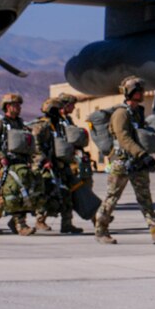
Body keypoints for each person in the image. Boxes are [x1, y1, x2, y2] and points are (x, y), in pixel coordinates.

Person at [92, 76, 155, 244]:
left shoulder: (138, 112)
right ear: (129, 93)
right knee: (112, 197)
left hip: (137, 161)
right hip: (121, 162)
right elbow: (123, 138)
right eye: (138, 91)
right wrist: (142, 154)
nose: (141, 94)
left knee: (144, 197)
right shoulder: (120, 113)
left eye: (142, 91)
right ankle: (101, 230)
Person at [0, 92, 40, 234]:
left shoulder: (20, 124)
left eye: (19, 105)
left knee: (15, 193)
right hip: (6, 164)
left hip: (21, 164)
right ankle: (21, 225)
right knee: (14, 191)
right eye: (15, 105)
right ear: (7, 106)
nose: (18, 108)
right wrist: (1, 157)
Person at [30, 94, 88, 235]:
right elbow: (35, 146)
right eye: (57, 109)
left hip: (60, 164)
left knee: (67, 193)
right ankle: (38, 219)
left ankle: (67, 224)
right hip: (45, 165)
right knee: (45, 193)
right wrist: (44, 160)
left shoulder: (58, 125)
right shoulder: (41, 125)